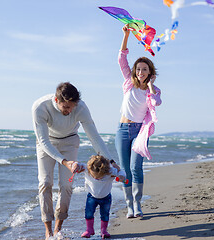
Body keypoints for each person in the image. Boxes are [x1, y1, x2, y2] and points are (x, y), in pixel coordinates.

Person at [32, 82, 117, 240]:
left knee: (66, 185)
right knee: (45, 182)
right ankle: (48, 231)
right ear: (57, 101)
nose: (69, 111)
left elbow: (94, 137)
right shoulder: (40, 107)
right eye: (66, 107)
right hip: (47, 143)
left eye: (72, 107)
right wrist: (65, 162)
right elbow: (43, 141)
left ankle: (58, 229)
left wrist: (111, 161)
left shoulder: (81, 108)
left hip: (70, 141)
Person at [115, 24, 162, 219]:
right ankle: (129, 206)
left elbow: (156, 102)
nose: (141, 72)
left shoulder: (154, 90)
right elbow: (121, 58)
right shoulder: (128, 83)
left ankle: (138, 203)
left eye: (145, 69)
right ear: (134, 72)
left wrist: (150, 86)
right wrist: (126, 35)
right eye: (138, 69)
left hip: (140, 132)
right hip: (122, 130)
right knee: (125, 169)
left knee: (136, 167)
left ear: (150, 72)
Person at [74, 154, 126, 239]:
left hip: (106, 197)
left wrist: (122, 176)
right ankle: (89, 229)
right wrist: (75, 166)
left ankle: (104, 231)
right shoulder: (88, 168)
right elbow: (78, 164)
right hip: (92, 196)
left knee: (105, 214)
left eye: (99, 177)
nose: (96, 178)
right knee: (88, 213)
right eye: (93, 176)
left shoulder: (110, 171)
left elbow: (122, 172)